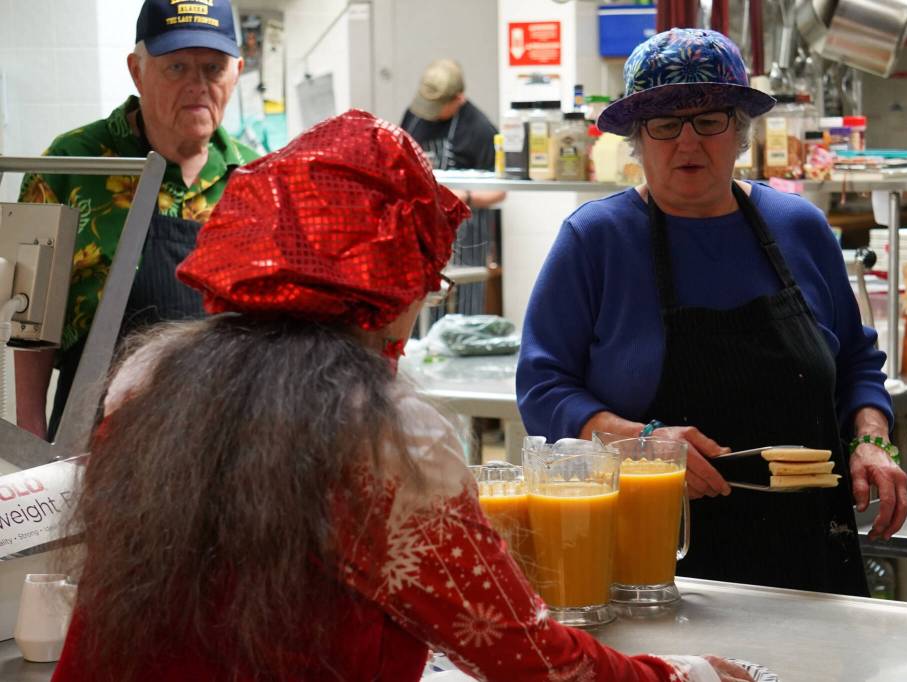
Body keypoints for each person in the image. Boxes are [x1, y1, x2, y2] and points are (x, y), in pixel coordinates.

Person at [53, 111, 752, 682]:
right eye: (427, 276)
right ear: (388, 279)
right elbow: (529, 658)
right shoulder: (380, 441)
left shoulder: (148, 383)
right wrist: (688, 677)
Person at [516, 28, 907, 597]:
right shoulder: (596, 240)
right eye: (665, 124)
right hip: (657, 560)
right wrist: (641, 440)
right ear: (637, 137)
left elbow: (854, 360)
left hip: (811, 559)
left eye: (709, 121)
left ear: (740, 131)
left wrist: (872, 439)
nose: (688, 143)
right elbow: (543, 389)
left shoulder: (798, 227)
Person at [15, 0, 259, 441]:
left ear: (237, 72)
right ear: (136, 71)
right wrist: (30, 431)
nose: (198, 85)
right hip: (95, 437)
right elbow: (32, 318)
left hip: (226, 439)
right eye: (177, 67)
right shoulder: (70, 163)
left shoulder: (257, 180)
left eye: (213, 68)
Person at [401, 58, 505, 319]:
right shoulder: (414, 116)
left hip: (466, 234)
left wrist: (465, 196)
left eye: (439, 106)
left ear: (458, 98)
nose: (431, 112)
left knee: (464, 308)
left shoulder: (480, 129)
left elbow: (500, 192)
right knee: (418, 305)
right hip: (420, 227)